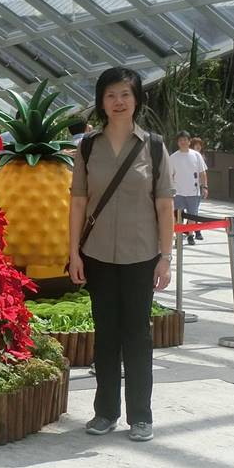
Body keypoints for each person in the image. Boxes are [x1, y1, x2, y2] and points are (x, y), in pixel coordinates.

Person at [68, 67, 174, 443]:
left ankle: (141, 416)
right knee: (106, 335)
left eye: (125, 94)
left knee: (138, 336)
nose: (118, 101)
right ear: (101, 101)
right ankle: (105, 412)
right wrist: (74, 253)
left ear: (137, 100)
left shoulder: (154, 147)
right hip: (97, 255)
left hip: (141, 255)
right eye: (110, 94)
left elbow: (165, 206)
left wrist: (165, 257)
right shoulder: (88, 147)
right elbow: (78, 204)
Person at [169, 131, 208, 246]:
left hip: (193, 192)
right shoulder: (173, 157)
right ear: (178, 142)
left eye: (185, 140)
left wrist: (205, 186)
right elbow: (169, 175)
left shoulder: (196, 155)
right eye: (180, 140)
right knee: (177, 216)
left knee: (192, 215)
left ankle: (190, 235)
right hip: (178, 192)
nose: (183, 142)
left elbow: (202, 173)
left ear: (189, 141)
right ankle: (178, 235)